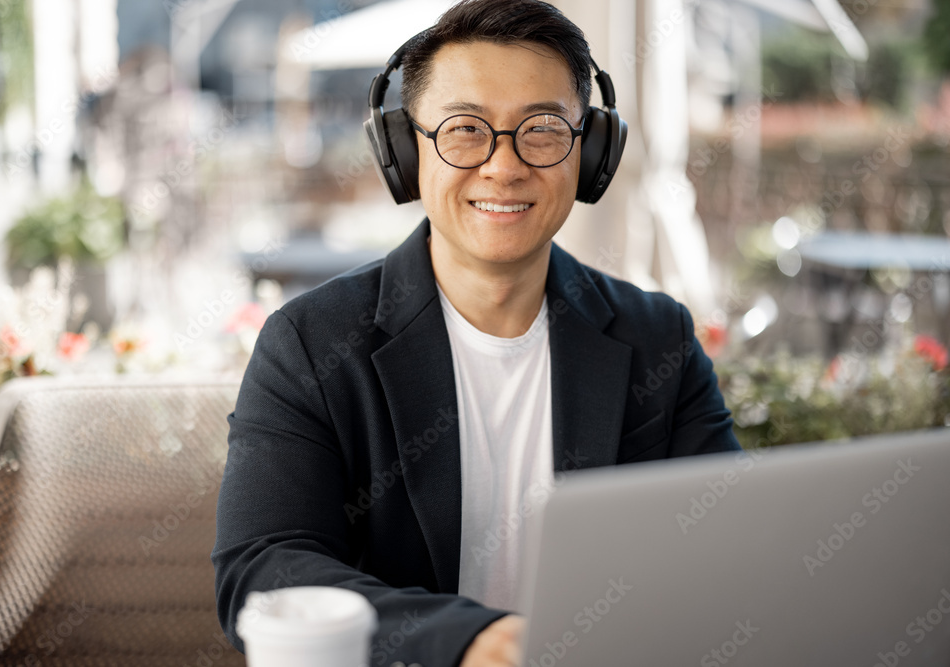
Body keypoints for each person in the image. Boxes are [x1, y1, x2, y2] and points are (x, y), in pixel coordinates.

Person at [213, 0, 740, 665]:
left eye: (543, 129)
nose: (504, 165)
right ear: (405, 150)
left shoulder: (656, 339)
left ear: (591, 149)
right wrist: (469, 639)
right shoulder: (311, 345)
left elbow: (728, 547)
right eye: (465, 129)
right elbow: (262, 570)